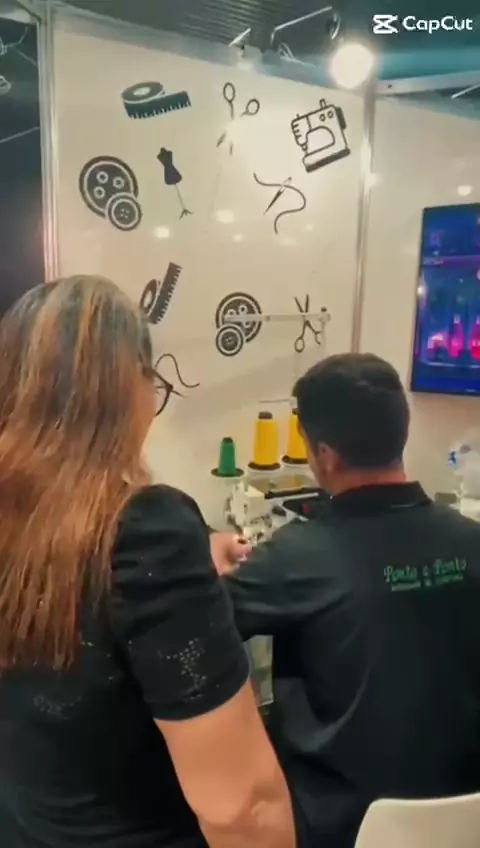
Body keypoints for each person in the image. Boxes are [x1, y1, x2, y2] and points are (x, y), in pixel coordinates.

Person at [0, 276, 295, 848]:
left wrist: (192, 553)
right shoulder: (144, 533)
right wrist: (170, 556)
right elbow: (243, 807)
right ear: (128, 389)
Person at [213, 353, 480, 848]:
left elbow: (196, 624)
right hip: (465, 822)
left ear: (326, 455)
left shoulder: (295, 558)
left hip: (342, 828)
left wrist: (205, 554)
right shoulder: (472, 541)